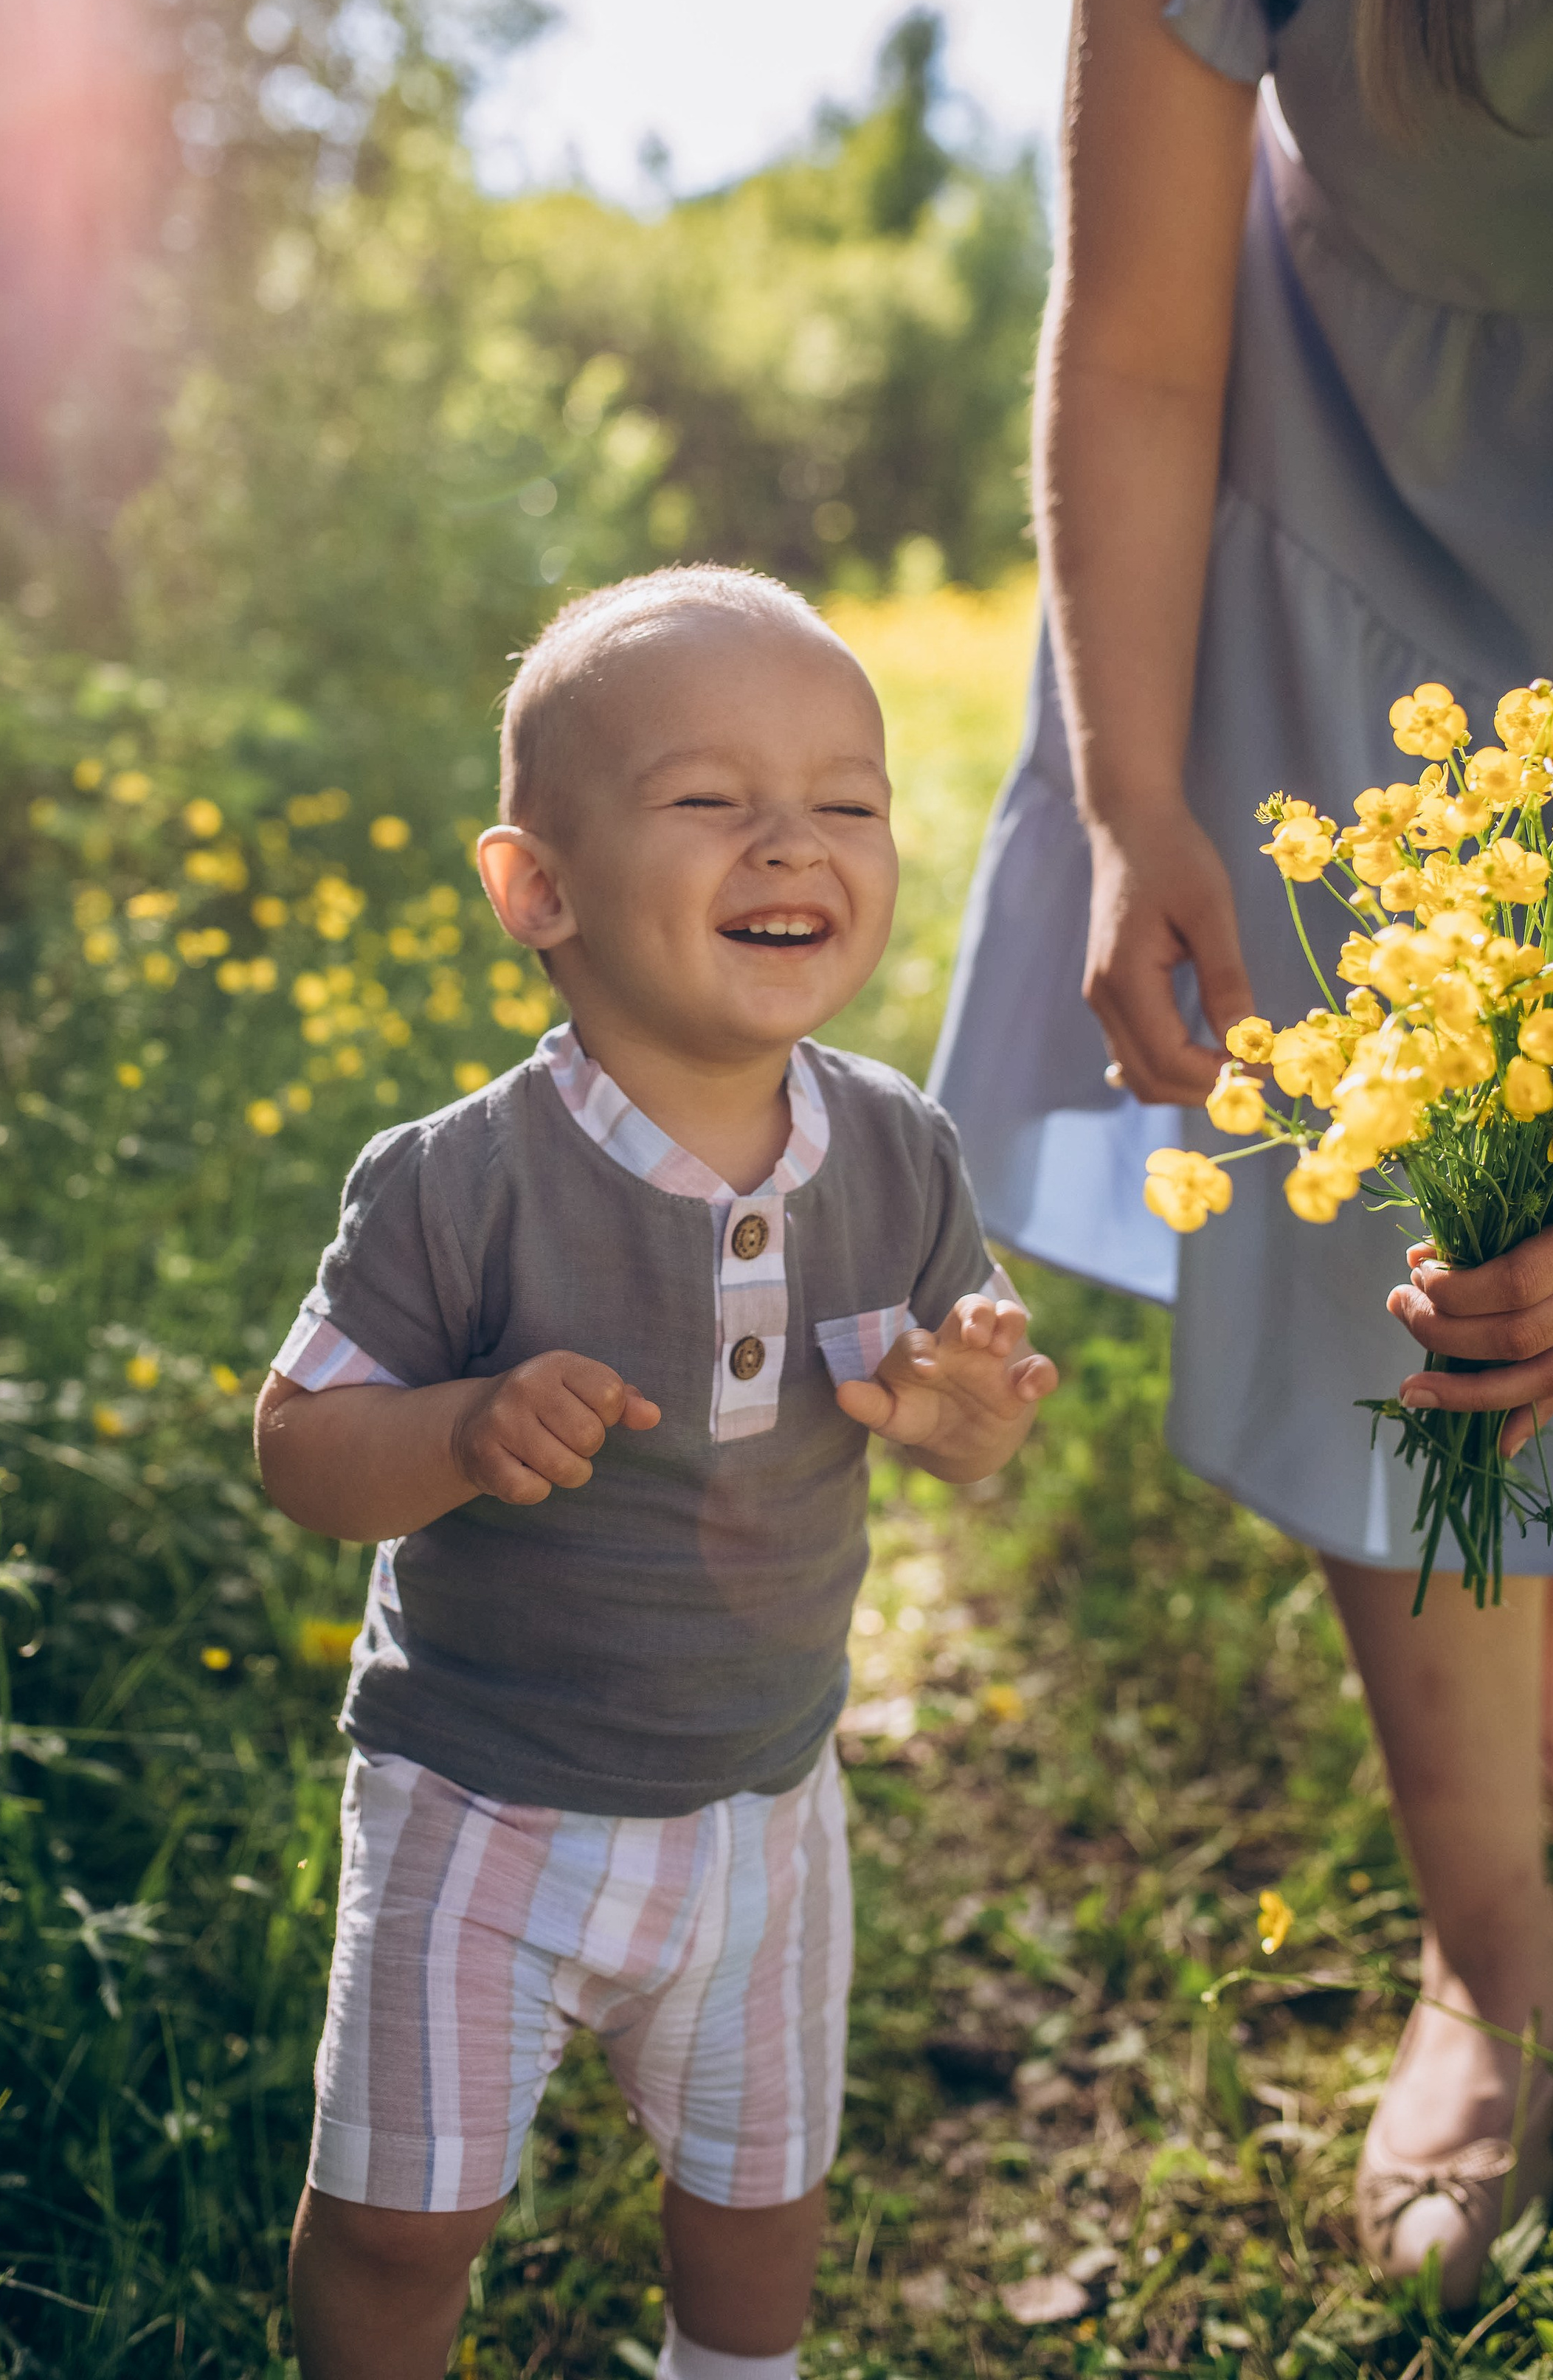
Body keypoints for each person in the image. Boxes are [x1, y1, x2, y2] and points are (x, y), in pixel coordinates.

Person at [932, 0, 1553, 2307]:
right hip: (1316, 526)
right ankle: (1500, 1957)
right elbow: (1132, 332)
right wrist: (1132, 799)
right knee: (1401, 1269)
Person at [255, 566, 1058, 2380]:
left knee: (759, 2194)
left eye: (844, 802)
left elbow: (978, 1385)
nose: (792, 842)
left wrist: (969, 1418)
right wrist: (455, 1433)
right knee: (397, 2224)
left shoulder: (899, 1152)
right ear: (537, 889)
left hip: (762, 1809)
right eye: (709, 800)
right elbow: (299, 1444)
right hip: (479, 1806)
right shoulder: (457, 1183)